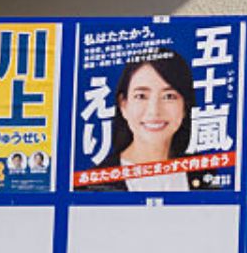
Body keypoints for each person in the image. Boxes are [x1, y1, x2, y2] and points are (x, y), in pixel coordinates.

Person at [83, 50, 223, 191]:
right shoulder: (92, 184)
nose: (154, 111)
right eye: (141, 96)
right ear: (123, 105)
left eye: (169, 96)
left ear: (185, 106)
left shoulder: (203, 173)